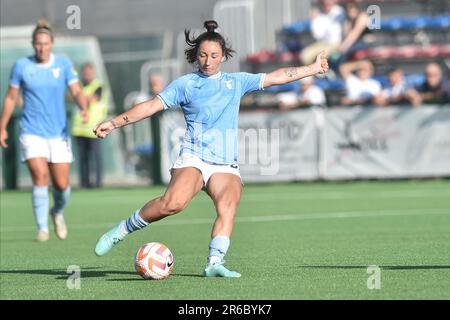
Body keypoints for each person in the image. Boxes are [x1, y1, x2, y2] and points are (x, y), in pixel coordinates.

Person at [92, 20, 328, 277]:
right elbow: (150, 106)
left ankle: (214, 262)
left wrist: (313, 68)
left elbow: (277, 77)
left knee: (228, 206)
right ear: (196, 55)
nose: (207, 60)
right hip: (195, 157)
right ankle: (121, 231)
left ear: (223, 56)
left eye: (214, 55)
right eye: (202, 55)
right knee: (173, 204)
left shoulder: (236, 81)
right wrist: (114, 123)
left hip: (225, 163)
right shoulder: (185, 84)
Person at [0, 20, 88, 242]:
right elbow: (11, 97)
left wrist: (84, 107)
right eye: (38, 43)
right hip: (31, 131)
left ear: (51, 44)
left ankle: (56, 212)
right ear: (33, 44)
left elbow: (76, 90)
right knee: (39, 176)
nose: (41, 47)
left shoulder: (63, 64)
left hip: (58, 133)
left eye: (45, 43)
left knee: (61, 185)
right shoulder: (21, 66)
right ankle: (42, 229)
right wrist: (2, 127)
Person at [71, 62, 109, 188]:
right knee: (82, 158)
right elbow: (69, 97)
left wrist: (79, 96)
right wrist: (78, 96)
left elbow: (92, 99)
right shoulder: (78, 85)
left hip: (94, 128)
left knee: (96, 157)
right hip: (79, 128)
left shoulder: (99, 86)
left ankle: (98, 183)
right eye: (85, 73)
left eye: (89, 72)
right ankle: (84, 183)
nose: (87, 75)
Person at [299, 0, 345, 66]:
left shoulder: (340, 12)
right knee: (304, 56)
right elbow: (317, 35)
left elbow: (343, 29)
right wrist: (314, 21)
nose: (327, 4)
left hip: (336, 44)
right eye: (325, 3)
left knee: (319, 57)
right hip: (323, 43)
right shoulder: (320, 15)